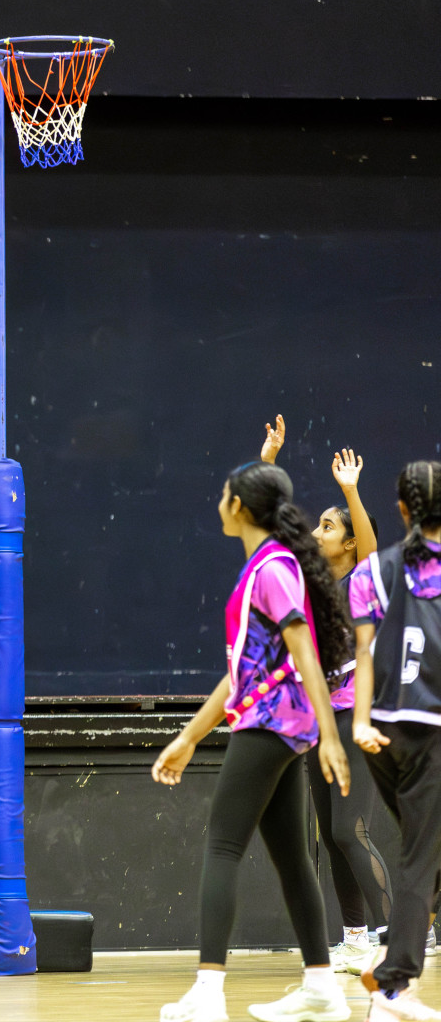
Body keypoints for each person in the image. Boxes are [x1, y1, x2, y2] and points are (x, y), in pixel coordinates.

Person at [153, 460, 352, 1022]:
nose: (219, 501)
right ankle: (322, 986)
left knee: (222, 846)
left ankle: (209, 991)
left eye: (223, 493)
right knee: (292, 858)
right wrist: (189, 737)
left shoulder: (273, 569)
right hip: (279, 725)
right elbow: (239, 675)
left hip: (272, 725)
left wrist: (330, 733)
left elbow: (304, 648)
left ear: (238, 508)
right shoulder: (265, 566)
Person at [261, 416, 393, 971]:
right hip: (317, 721)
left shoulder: (361, 579)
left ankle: (396, 936)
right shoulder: (309, 579)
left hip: (356, 717)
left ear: (349, 540)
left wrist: (350, 493)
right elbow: (268, 528)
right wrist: (267, 463)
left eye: (328, 526)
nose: (317, 532)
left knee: (349, 828)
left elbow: (369, 545)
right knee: (330, 833)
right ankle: (357, 936)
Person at [351, 461, 441, 1022]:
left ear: (402, 511)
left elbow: (361, 654)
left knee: (425, 844)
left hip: (381, 730)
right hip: (431, 729)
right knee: (419, 854)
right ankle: (394, 983)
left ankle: (392, 961)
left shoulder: (371, 572)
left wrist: (360, 722)